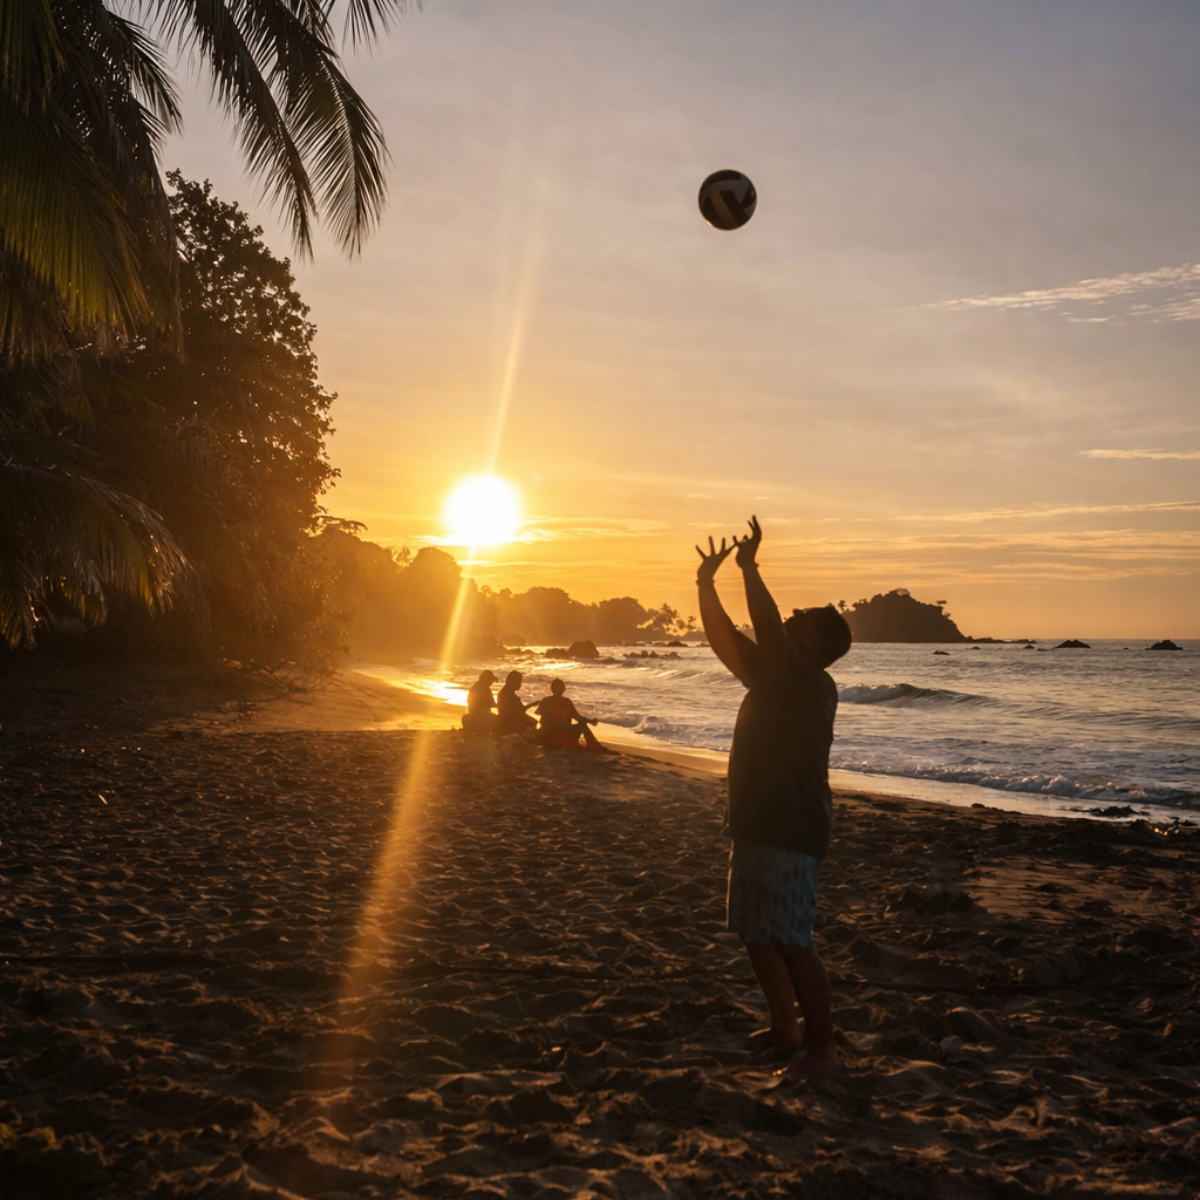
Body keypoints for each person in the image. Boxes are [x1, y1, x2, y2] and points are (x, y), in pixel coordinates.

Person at [696, 515, 851, 1078]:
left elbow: (763, 624)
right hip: (757, 821)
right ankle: (786, 1031)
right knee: (757, 934)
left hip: (791, 827)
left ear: (813, 643)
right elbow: (725, 639)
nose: (791, 617)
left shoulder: (808, 681)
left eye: (801, 619)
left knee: (791, 940)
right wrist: (705, 585)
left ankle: (822, 1051)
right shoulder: (774, 675)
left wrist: (748, 566)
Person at [535, 679, 608, 751]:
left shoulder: (567, 702)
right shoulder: (546, 701)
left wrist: (590, 721)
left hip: (566, 731)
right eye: (557, 687)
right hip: (550, 733)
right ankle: (587, 746)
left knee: (582, 725)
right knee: (552, 736)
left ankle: (593, 746)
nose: (559, 689)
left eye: (560, 687)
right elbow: (541, 717)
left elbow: (578, 718)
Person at [496, 670, 538, 735]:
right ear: (511, 681)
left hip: (514, 719)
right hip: (509, 722)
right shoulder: (506, 694)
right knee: (533, 723)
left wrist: (532, 704)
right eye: (518, 681)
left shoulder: (510, 693)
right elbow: (512, 713)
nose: (519, 684)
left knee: (534, 722)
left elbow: (521, 709)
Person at [461, 670, 498, 734]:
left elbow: (470, 704)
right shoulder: (485, 689)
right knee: (500, 720)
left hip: (473, 716)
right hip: (482, 718)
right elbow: (492, 704)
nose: (492, 682)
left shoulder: (474, 687)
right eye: (491, 680)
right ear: (488, 679)